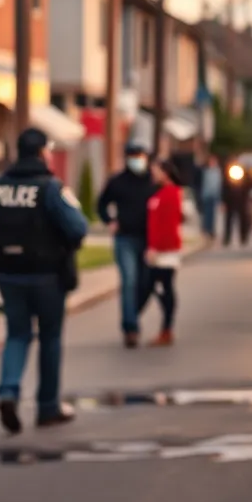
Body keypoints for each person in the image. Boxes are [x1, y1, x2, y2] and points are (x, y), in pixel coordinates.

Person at [0, 127, 88, 434]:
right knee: (50, 338)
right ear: (41, 153)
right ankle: (48, 407)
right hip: (48, 275)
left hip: (9, 274)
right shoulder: (50, 187)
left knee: (17, 335)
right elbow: (77, 227)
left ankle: (8, 391)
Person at [96, 142, 156, 348]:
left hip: (149, 239)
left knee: (146, 282)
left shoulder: (152, 181)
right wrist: (109, 221)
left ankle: (133, 312)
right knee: (129, 281)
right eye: (133, 155)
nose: (137, 159)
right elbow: (101, 204)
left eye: (140, 155)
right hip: (125, 238)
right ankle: (130, 327)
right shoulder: (117, 182)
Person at [140, 158, 184, 347]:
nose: (153, 174)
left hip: (165, 251)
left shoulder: (171, 194)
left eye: (156, 171)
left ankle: (166, 329)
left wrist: (155, 248)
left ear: (165, 172)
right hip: (158, 249)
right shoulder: (159, 193)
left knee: (162, 287)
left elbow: (167, 225)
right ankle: (136, 321)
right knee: (154, 286)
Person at [199, 153, 223, 244]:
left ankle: (211, 231)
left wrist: (219, 198)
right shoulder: (206, 171)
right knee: (206, 214)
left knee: (212, 215)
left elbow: (218, 186)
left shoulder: (217, 172)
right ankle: (206, 230)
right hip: (206, 195)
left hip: (214, 195)